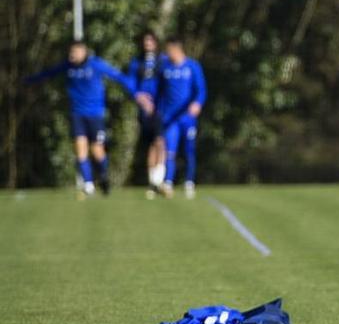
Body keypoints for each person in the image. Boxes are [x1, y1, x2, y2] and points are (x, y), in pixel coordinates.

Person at [25, 40, 150, 197]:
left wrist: (136, 94)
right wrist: (28, 80)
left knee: (97, 150)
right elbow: (48, 73)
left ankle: (104, 177)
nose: (72, 55)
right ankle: (89, 184)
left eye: (75, 52)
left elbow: (118, 77)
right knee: (80, 148)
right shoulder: (68, 66)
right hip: (77, 114)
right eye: (71, 53)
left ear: (84, 52)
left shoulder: (96, 65)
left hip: (96, 115)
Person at [141, 36, 206, 199]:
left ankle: (189, 182)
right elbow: (159, 90)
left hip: (187, 117)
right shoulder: (165, 68)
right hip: (170, 118)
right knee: (169, 150)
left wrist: (197, 103)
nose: (168, 54)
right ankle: (168, 182)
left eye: (170, 50)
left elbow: (201, 90)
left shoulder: (192, 66)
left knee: (189, 149)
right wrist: (153, 106)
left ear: (177, 49)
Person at [127, 30, 166, 197]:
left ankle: (158, 179)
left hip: (160, 108)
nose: (147, 44)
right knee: (151, 143)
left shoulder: (163, 61)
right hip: (144, 110)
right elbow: (130, 84)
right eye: (145, 41)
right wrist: (139, 97)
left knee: (160, 141)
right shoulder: (136, 63)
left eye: (151, 41)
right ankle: (153, 182)